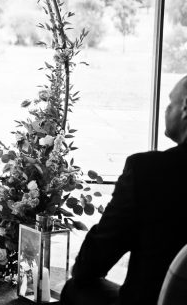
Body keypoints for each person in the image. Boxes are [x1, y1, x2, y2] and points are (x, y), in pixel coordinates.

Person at [60, 76, 187, 305]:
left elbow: (95, 259)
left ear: (185, 108)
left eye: (171, 103)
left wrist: (82, 269)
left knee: (75, 289)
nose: (167, 109)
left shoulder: (149, 172)